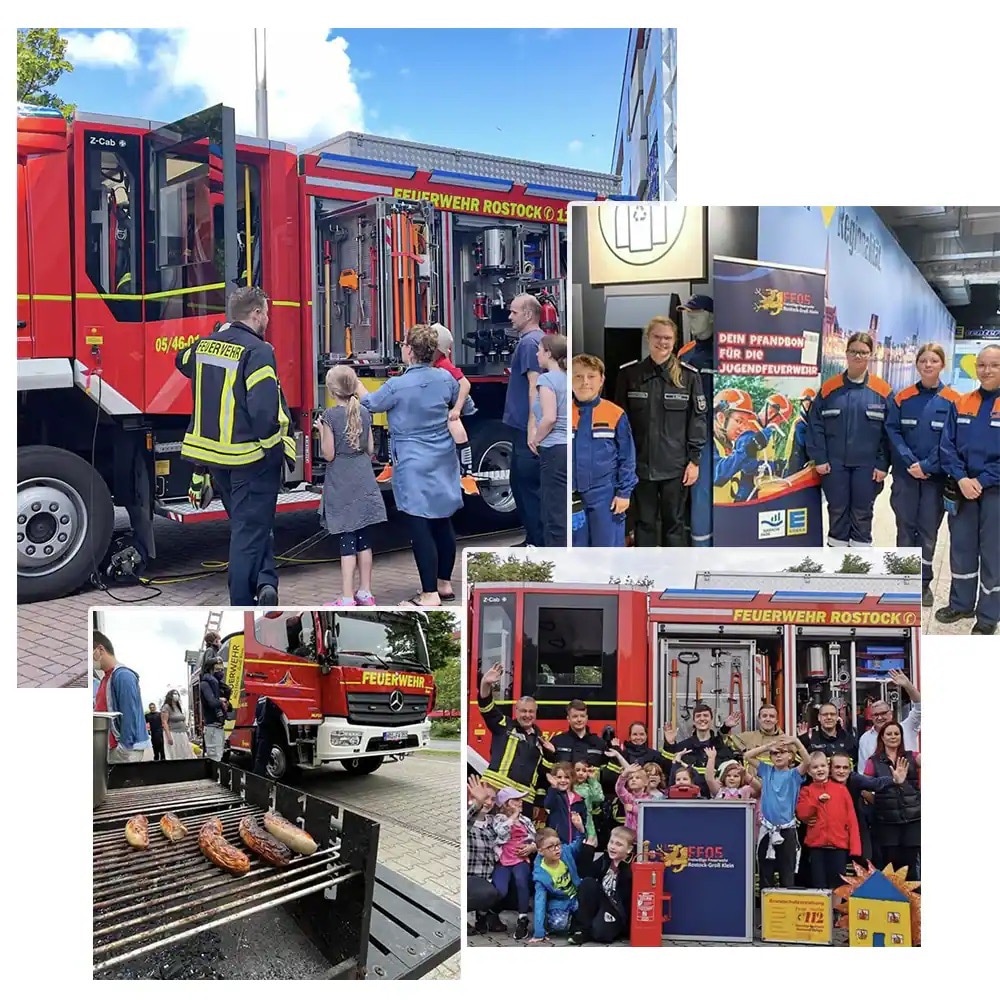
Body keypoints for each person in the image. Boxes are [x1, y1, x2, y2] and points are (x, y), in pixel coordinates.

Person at [177, 287, 295, 606]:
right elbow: (262, 411)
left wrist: (216, 334)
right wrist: (274, 453)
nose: (267, 318)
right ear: (255, 313)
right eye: (266, 312)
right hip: (249, 458)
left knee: (250, 527)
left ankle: (266, 581)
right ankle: (242, 603)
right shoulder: (258, 351)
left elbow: (181, 359)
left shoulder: (206, 345)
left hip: (217, 461)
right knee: (248, 533)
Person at [361, 324, 461, 607]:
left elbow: (371, 403)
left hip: (413, 462)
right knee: (443, 521)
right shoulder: (445, 379)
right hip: (443, 457)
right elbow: (463, 404)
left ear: (409, 350)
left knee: (420, 526)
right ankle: (444, 584)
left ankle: (428, 594)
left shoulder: (397, 385)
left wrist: (357, 386)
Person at [616, 316, 707, 546]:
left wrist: (694, 461)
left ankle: (673, 573)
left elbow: (698, 420)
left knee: (674, 524)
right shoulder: (629, 375)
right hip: (640, 467)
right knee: (644, 524)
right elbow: (619, 423)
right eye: (657, 336)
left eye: (668, 338)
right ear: (648, 338)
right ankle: (647, 576)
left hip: (676, 468)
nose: (662, 342)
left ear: (675, 341)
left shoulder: (688, 377)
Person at [885, 343, 961, 605]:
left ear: (942, 365)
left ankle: (923, 583)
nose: (928, 365)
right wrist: (909, 462)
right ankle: (903, 579)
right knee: (905, 528)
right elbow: (892, 431)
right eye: (924, 360)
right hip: (906, 477)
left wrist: (927, 466)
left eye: (934, 361)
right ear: (917, 364)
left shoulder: (954, 400)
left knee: (928, 532)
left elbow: (952, 440)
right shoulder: (901, 397)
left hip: (935, 479)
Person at [936, 344, 1000, 635]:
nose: (987, 371)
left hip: (995, 492)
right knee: (961, 549)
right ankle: (961, 603)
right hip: (962, 489)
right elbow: (946, 446)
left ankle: (988, 616)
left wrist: (982, 480)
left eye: (994, 365)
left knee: (993, 553)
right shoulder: (961, 403)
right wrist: (961, 478)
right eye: (982, 365)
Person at [807, 331, 892, 546]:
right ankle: (837, 566)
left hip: (867, 467)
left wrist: (883, 464)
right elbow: (815, 425)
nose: (858, 356)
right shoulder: (829, 389)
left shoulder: (882, 391)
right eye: (854, 351)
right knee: (837, 512)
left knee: (863, 514)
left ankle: (859, 565)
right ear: (846, 354)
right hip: (834, 466)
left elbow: (889, 433)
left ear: (870, 356)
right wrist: (820, 458)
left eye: (863, 353)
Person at [315, 365, 387, 606]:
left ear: (333, 391)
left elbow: (329, 455)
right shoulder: (364, 413)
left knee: (347, 540)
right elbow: (369, 449)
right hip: (363, 477)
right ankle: (366, 592)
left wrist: (320, 431)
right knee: (364, 539)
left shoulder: (329, 416)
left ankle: (347, 596)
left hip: (342, 481)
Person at [571, 354, 637, 547]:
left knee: (607, 553)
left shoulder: (615, 414)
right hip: (571, 496)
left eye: (591, 376)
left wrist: (624, 493)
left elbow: (627, 457)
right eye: (578, 376)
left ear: (601, 380)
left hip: (605, 496)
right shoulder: (562, 413)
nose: (584, 382)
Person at [503, 294, 546, 546]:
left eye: (514, 312)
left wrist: (532, 427)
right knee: (521, 484)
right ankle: (533, 537)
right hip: (523, 427)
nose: (510, 317)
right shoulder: (536, 341)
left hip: (525, 429)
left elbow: (535, 386)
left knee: (526, 485)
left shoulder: (530, 343)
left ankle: (537, 542)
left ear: (528, 315)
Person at [744, 735, 810, 890]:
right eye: (775, 753)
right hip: (767, 828)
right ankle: (766, 909)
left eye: (783, 752)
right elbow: (747, 756)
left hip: (787, 829)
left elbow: (807, 761)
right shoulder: (766, 771)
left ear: (791, 756)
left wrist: (796, 742)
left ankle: (786, 907)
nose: (778, 755)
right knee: (765, 871)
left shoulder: (794, 774)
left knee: (787, 872)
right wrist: (768, 747)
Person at [477, 663, 549, 805]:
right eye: (523, 711)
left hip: (524, 801)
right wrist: (485, 684)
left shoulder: (539, 738)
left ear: (535, 713)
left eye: (531, 712)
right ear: (516, 711)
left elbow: (541, 773)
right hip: (495, 794)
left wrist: (538, 801)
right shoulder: (504, 725)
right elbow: (486, 707)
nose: (527, 715)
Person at [677, 295, 715, 545]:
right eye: (688, 313)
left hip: (718, 436)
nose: (690, 318)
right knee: (693, 497)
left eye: (696, 313)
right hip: (687, 437)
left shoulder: (730, 351)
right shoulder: (684, 352)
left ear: (712, 316)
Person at [795, 752, 862, 889]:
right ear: (808, 771)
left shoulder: (841, 790)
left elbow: (852, 819)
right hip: (816, 846)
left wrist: (855, 847)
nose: (819, 769)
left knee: (838, 883)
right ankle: (823, 910)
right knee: (818, 882)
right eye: (815, 767)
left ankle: (836, 910)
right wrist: (816, 802)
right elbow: (803, 814)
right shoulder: (806, 791)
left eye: (822, 766)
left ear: (828, 768)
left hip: (839, 845)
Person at [862, 723, 921, 875]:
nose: (893, 737)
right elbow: (865, 789)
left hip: (912, 821)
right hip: (886, 823)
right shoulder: (873, 761)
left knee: (911, 868)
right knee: (890, 868)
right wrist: (881, 804)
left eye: (896, 733)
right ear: (882, 737)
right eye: (889, 734)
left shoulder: (912, 756)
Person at [528, 333, 569, 546]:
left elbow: (549, 417)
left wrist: (536, 438)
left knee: (553, 513)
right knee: (564, 508)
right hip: (567, 448)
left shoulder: (546, 380)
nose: (536, 354)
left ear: (549, 353)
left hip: (553, 449)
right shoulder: (568, 378)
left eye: (539, 350)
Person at [431, 323, 478, 492]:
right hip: (447, 401)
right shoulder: (434, 364)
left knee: (455, 425)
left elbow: (464, 384)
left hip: (457, 403)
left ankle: (467, 474)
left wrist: (457, 409)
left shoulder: (444, 365)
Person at [568, 825, 635, 945]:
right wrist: (589, 848)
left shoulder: (631, 868)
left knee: (601, 934)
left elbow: (625, 899)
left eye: (619, 844)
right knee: (588, 883)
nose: (613, 847)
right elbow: (585, 872)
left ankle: (600, 927)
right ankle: (582, 930)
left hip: (616, 910)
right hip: (603, 902)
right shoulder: (605, 859)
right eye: (611, 842)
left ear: (629, 849)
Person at [92, 630, 149, 763]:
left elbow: (129, 714)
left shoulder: (123, 676)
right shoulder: (107, 678)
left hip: (124, 749)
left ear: (100, 649)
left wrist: (124, 748)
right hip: (112, 746)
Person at [529, 823, 589, 944]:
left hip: (575, 895)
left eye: (558, 844)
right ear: (540, 851)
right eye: (551, 847)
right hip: (560, 902)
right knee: (558, 925)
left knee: (585, 907)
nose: (557, 849)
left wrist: (580, 830)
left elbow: (578, 844)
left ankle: (577, 923)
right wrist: (539, 932)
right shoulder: (540, 874)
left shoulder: (565, 851)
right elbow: (540, 901)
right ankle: (566, 922)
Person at [491, 787, 536, 941]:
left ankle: (522, 919)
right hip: (503, 861)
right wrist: (512, 818)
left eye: (520, 799)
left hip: (520, 859)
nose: (520, 802)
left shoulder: (526, 820)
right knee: (499, 890)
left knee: (521, 881)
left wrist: (532, 847)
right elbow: (500, 832)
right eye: (516, 800)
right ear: (506, 804)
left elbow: (535, 838)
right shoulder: (499, 819)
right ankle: (490, 915)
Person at [856, 669, 921, 774]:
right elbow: (863, 772)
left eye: (883, 713)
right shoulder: (865, 739)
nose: (880, 717)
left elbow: (920, 708)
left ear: (891, 713)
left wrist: (908, 685)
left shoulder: (907, 728)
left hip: (909, 785)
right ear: (871, 717)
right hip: (882, 787)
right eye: (876, 715)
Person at [661, 704, 736, 793]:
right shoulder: (683, 747)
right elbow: (668, 771)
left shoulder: (720, 747)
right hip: (688, 798)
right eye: (698, 716)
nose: (702, 719)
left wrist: (725, 728)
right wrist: (669, 745)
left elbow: (731, 771)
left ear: (711, 720)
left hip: (716, 799)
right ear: (693, 721)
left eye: (705, 715)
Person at [466, 776, 506, 935]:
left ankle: (485, 916)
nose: (488, 802)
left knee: (509, 885)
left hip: (488, 877)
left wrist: (531, 845)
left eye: (492, 799)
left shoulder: (493, 822)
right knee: (487, 893)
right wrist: (477, 803)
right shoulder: (468, 821)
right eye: (485, 798)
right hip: (470, 879)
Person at [543, 763, 589, 845]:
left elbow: (585, 823)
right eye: (559, 777)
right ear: (554, 778)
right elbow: (548, 805)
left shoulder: (580, 800)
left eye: (567, 777)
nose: (563, 780)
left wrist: (580, 827)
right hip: (558, 844)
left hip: (575, 844)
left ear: (572, 779)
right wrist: (553, 787)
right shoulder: (555, 795)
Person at [200, 654, 229, 763]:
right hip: (212, 726)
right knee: (214, 757)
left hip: (219, 726)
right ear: (210, 669)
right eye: (217, 669)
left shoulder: (218, 686)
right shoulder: (205, 684)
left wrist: (226, 703)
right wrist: (221, 701)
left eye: (222, 669)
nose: (220, 672)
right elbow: (212, 702)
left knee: (219, 754)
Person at [572, 761, 605, 840]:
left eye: (584, 771)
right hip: (570, 823)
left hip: (587, 824)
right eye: (577, 770)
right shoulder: (568, 787)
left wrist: (593, 779)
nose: (580, 773)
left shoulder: (589, 788)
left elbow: (600, 798)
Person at [160, 690, 194, 761]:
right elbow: (164, 722)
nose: (176, 695)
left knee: (184, 752)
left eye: (177, 694)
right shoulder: (166, 707)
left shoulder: (178, 707)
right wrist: (169, 737)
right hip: (172, 733)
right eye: (174, 694)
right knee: (174, 753)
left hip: (182, 732)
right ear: (170, 696)